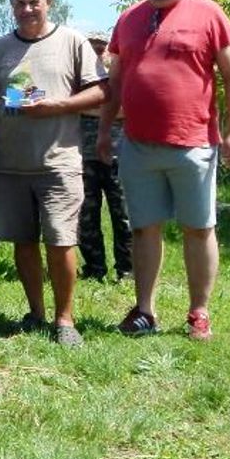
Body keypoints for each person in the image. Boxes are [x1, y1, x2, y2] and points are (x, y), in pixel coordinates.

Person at [100, 0, 230, 340]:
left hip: (194, 142)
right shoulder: (128, 19)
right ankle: (144, 310)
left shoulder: (208, 13)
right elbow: (114, 83)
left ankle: (199, 311)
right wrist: (103, 132)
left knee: (198, 228)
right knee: (144, 228)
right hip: (137, 144)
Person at [0, 0, 107, 346]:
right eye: (19, 3)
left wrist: (57, 106)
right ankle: (35, 313)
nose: (26, 10)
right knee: (24, 241)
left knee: (60, 241)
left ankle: (65, 320)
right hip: (10, 164)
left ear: (48, 2)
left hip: (58, 162)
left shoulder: (71, 42)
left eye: (33, 3)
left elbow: (101, 91)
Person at [77, 29, 132, 283]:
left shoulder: (120, 72)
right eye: (92, 45)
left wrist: (89, 107)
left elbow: (126, 109)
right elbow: (69, 104)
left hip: (119, 153)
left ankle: (128, 271)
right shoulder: (79, 74)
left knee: (123, 214)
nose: (97, 50)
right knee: (86, 214)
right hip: (82, 152)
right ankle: (94, 268)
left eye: (101, 46)